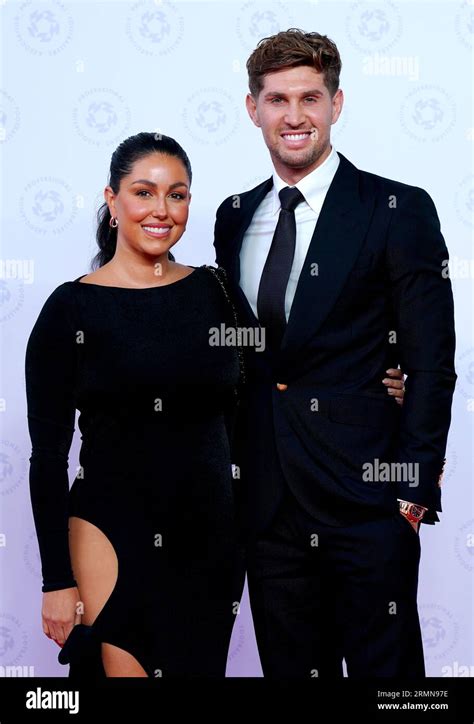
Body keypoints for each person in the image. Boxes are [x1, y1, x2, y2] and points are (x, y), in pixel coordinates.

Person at [213, 29, 456, 678]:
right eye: (277, 99)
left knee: (392, 687)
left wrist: (410, 493)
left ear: (336, 104)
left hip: (368, 500)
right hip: (268, 508)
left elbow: (433, 362)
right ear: (252, 108)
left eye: (310, 98)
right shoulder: (233, 216)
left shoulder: (395, 209)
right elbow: (243, 356)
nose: (295, 116)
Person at [25, 132, 247, 678]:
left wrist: (384, 382)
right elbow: (47, 459)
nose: (161, 210)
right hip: (112, 538)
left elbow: (273, 387)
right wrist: (57, 581)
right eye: (143, 192)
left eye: (178, 195)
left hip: (211, 541)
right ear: (112, 199)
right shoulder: (71, 309)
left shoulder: (217, 294)